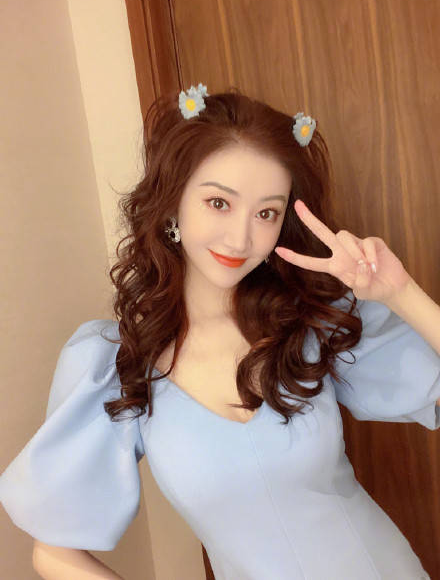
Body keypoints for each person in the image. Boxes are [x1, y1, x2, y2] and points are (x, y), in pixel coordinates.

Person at [1, 83, 439, 579]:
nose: (240, 238)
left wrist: (401, 293)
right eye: (218, 203)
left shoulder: (312, 321)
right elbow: (54, 553)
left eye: (266, 213)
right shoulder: (116, 367)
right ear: (173, 202)